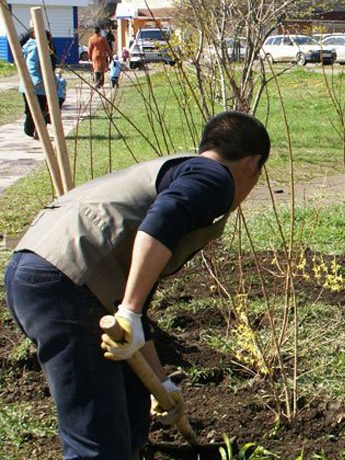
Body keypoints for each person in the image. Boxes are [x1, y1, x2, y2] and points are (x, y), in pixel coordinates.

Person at [4, 111, 270, 459]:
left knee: (131, 409)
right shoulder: (214, 177)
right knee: (97, 442)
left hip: (41, 273)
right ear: (252, 164)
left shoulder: (177, 171)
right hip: (66, 283)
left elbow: (132, 317)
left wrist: (161, 384)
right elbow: (160, 224)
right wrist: (128, 310)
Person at [19, 28, 50, 138]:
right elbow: (31, 65)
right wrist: (38, 81)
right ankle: (32, 131)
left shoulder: (29, 46)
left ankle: (34, 131)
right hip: (37, 86)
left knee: (32, 109)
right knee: (39, 110)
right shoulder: (37, 47)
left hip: (27, 84)